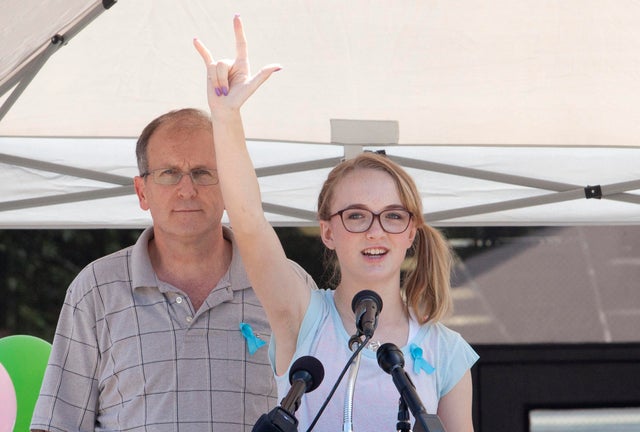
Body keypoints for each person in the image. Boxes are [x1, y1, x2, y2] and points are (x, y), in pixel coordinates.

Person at [194, 15, 479, 432]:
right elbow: (250, 222)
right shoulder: (302, 316)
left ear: (411, 234)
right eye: (357, 215)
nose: (376, 231)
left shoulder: (446, 351)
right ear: (328, 231)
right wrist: (225, 117)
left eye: (393, 216)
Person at [30, 108, 309, 431]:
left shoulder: (286, 283)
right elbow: (57, 424)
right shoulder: (96, 290)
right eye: (169, 173)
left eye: (204, 173)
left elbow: (328, 411)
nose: (187, 189)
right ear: (141, 191)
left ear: (231, 185)